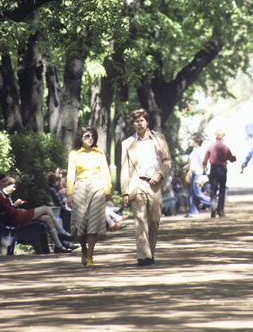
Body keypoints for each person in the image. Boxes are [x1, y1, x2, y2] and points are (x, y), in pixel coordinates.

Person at [121, 108, 172, 266]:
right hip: (137, 184)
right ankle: (144, 256)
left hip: (155, 184)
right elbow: (124, 168)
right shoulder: (127, 143)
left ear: (147, 121)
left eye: (142, 120)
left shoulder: (158, 138)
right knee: (140, 220)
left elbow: (167, 161)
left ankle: (150, 251)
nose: (139, 123)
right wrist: (125, 192)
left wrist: (160, 175)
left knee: (154, 220)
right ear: (133, 124)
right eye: (136, 121)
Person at [0, 173, 72, 253]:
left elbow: (7, 210)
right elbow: (9, 210)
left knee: (47, 218)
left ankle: (58, 246)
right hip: (16, 218)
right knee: (46, 209)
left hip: (15, 216)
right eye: (3, 182)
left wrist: (17, 208)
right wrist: (17, 208)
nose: (5, 184)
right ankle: (62, 232)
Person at [66, 127, 112, 267]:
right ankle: (84, 251)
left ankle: (90, 256)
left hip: (97, 187)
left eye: (92, 136)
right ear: (80, 138)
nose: (90, 138)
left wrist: (107, 190)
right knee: (81, 224)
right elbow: (70, 174)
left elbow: (105, 171)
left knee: (93, 223)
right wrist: (69, 193)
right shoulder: (74, 154)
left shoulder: (99, 153)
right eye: (87, 136)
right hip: (80, 187)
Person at [203, 129, 236, 217]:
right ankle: (220, 211)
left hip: (213, 169)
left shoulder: (210, 147)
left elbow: (205, 159)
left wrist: (204, 167)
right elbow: (231, 158)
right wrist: (234, 158)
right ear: (223, 137)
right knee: (222, 189)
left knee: (213, 189)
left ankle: (213, 208)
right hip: (222, 169)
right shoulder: (225, 147)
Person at [184, 135, 210, 217]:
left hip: (198, 174)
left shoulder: (200, 151)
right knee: (192, 194)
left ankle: (213, 203)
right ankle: (193, 211)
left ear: (196, 141)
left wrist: (204, 173)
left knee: (197, 193)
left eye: (191, 140)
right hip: (193, 173)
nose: (189, 142)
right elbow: (192, 164)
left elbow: (203, 163)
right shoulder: (193, 151)